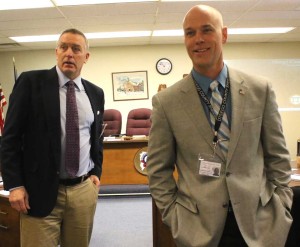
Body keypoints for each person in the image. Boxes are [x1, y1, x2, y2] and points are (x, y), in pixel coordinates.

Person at [147, 5, 293, 247]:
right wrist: (175, 217)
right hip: (199, 229)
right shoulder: (166, 102)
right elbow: (157, 170)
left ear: (223, 34)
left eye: (207, 30)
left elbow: (277, 157)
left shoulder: (260, 90)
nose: (198, 40)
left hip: (260, 225)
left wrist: (281, 205)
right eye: (190, 33)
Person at [1, 28, 104, 247]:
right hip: (38, 191)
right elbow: (9, 138)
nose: (69, 53)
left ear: (86, 57)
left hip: (83, 191)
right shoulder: (30, 83)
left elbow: (96, 137)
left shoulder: (95, 93)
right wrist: (15, 184)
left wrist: (96, 171)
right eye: (64, 47)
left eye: (76, 49)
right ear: (56, 51)